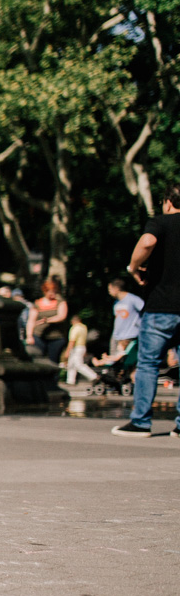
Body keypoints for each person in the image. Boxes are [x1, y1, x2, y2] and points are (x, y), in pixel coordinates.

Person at [114, 185, 180, 437]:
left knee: (148, 364)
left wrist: (133, 267)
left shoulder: (161, 222)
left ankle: (141, 422)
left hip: (161, 306)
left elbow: (147, 241)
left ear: (167, 202)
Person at [28, 278, 68, 363]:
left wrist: (47, 320)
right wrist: (29, 336)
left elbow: (61, 316)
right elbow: (31, 320)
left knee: (53, 361)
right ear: (45, 291)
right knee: (38, 359)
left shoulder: (60, 302)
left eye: (55, 291)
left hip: (56, 337)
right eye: (51, 291)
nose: (53, 293)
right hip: (39, 336)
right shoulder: (37, 303)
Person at [107, 278, 143, 356]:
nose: (109, 292)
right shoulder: (116, 302)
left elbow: (144, 311)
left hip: (129, 336)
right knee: (115, 362)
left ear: (116, 288)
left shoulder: (133, 299)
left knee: (127, 361)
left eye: (110, 289)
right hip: (117, 336)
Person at [62, 314, 97, 385]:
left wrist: (67, 351)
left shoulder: (75, 328)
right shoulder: (84, 327)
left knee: (78, 365)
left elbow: (72, 341)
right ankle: (70, 381)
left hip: (76, 348)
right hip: (82, 347)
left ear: (72, 321)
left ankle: (93, 376)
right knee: (71, 364)